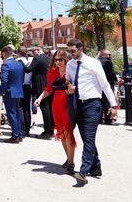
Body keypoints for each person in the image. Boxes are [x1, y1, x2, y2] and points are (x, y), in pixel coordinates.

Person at [66, 39, 118, 185]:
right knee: (86, 137)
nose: (71, 54)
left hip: (92, 104)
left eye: (73, 51)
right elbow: (68, 80)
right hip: (77, 104)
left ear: (81, 49)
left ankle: (83, 171)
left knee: (88, 137)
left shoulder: (93, 63)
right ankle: (95, 166)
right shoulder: (70, 65)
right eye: (69, 51)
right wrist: (69, 87)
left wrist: (113, 106)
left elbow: (105, 85)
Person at [34, 50, 76, 173]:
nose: (57, 62)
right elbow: (48, 89)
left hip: (69, 103)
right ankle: (69, 159)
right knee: (62, 133)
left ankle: (71, 163)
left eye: (60, 60)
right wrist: (40, 98)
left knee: (68, 133)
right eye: (56, 60)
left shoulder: (72, 70)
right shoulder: (53, 72)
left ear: (66, 59)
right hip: (57, 104)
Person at [25, 46, 54, 138]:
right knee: (49, 108)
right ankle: (51, 130)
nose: (33, 53)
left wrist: (21, 63)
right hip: (48, 84)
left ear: (38, 51)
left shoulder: (37, 58)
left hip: (40, 85)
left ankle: (47, 131)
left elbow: (28, 69)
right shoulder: (48, 58)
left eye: (34, 51)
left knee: (44, 108)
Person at [1, 45, 24, 143]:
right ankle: (19, 134)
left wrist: (1, 91)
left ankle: (15, 136)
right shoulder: (19, 63)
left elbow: (4, 80)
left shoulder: (6, 64)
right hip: (18, 90)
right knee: (17, 114)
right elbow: (22, 78)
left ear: (5, 53)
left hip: (9, 91)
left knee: (11, 114)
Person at [17, 47, 33, 137]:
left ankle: (22, 129)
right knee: (27, 108)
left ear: (18, 53)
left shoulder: (18, 61)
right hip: (28, 85)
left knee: (20, 108)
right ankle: (27, 130)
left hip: (20, 85)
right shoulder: (30, 61)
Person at [98, 49, 117, 124]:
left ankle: (99, 119)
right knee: (107, 101)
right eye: (108, 54)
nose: (110, 56)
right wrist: (115, 79)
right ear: (103, 55)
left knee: (100, 101)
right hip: (108, 84)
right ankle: (108, 119)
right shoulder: (108, 62)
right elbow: (111, 73)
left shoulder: (97, 62)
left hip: (99, 85)